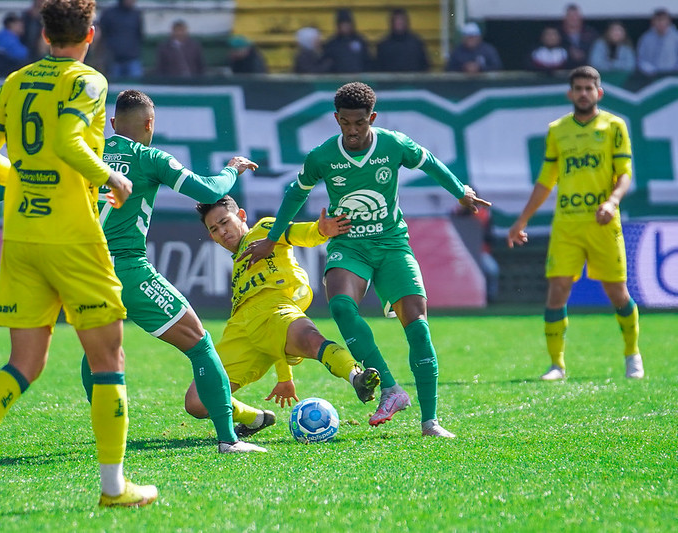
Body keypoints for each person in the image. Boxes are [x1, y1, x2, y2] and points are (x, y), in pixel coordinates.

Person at [0, 89, 267, 455]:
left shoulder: (85, 152)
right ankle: (228, 440)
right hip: (127, 269)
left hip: (84, 273)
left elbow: (26, 177)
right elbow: (208, 189)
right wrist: (232, 169)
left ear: (112, 124)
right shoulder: (151, 158)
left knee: (96, 355)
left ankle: (108, 440)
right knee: (200, 344)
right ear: (149, 125)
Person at [0, 0, 155, 515]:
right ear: (91, 34)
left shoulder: (16, 81)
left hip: (23, 237)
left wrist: (30, 180)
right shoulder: (89, 82)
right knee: (108, 361)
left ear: (44, 33)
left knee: (24, 363)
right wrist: (107, 176)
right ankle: (114, 486)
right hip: (74, 240)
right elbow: (67, 138)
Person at [242, 82, 490, 438]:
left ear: (371, 118)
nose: (353, 130)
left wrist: (461, 191)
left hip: (391, 244)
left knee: (417, 325)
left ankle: (430, 422)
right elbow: (294, 194)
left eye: (359, 123)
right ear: (336, 119)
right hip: (350, 246)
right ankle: (390, 389)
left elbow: (430, 163)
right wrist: (272, 237)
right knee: (341, 307)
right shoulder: (322, 156)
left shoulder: (392, 144)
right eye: (345, 123)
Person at [184, 196, 381, 436]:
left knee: (311, 340)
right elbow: (271, 339)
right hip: (240, 329)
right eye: (214, 229)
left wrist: (320, 230)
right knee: (196, 402)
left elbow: (295, 232)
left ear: (242, 216)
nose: (222, 232)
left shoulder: (264, 229)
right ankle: (255, 419)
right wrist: (284, 376)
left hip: (277, 309)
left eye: (225, 222)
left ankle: (356, 377)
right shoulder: (238, 264)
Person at [507, 66, 644, 382]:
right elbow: (546, 180)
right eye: (578, 88)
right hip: (567, 224)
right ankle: (557, 364)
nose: (583, 93)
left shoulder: (614, 127)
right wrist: (522, 220)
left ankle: (632, 354)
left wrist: (611, 202)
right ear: (570, 93)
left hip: (603, 225)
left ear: (599, 92)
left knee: (617, 292)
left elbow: (624, 174)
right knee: (557, 290)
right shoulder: (558, 130)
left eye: (588, 88)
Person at [99, 0, 143, 80]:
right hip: (113, 60)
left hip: (132, 59)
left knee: (136, 87)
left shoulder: (136, 14)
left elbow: (139, 35)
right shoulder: (109, 14)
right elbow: (102, 34)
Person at [375, 8, 429, 73]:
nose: (399, 23)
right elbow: (378, 69)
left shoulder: (417, 44)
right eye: (397, 20)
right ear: (391, 22)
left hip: (413, 82)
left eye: (401, 20)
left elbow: (425, 66)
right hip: (391, 82)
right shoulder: (383, 46)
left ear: (406, 22)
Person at [322, 8, 372, 73]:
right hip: (338, 81)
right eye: (343, 24)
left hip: (359, 79)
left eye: (347, 23)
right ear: (338, 25)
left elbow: (367, 61)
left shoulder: (361, 41)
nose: (346, 26)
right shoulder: (332, 44)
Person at [636, 8, 678, 76]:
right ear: (653, 21)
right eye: (658, 20)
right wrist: (648, 69)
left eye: (663, 20)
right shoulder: (646, 38)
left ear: (669, 21)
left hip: (673, 77)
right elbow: (640, 59)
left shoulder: (676, 38)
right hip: (651, 78)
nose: (661, 23)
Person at [559, 4, 599, 69]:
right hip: (565, 69)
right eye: (570, 16)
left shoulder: (590, 33)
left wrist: (583, 53)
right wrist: (569, 52)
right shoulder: (559, 34)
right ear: (565, 18)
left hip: (587, 69)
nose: (573, 18)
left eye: (575, 16)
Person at [0, 12, 29, 77]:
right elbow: (20, 54)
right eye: (19, 24)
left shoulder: (15, 38)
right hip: (5, 75)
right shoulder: (5, 39)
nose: (22, 26)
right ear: (11, 24)